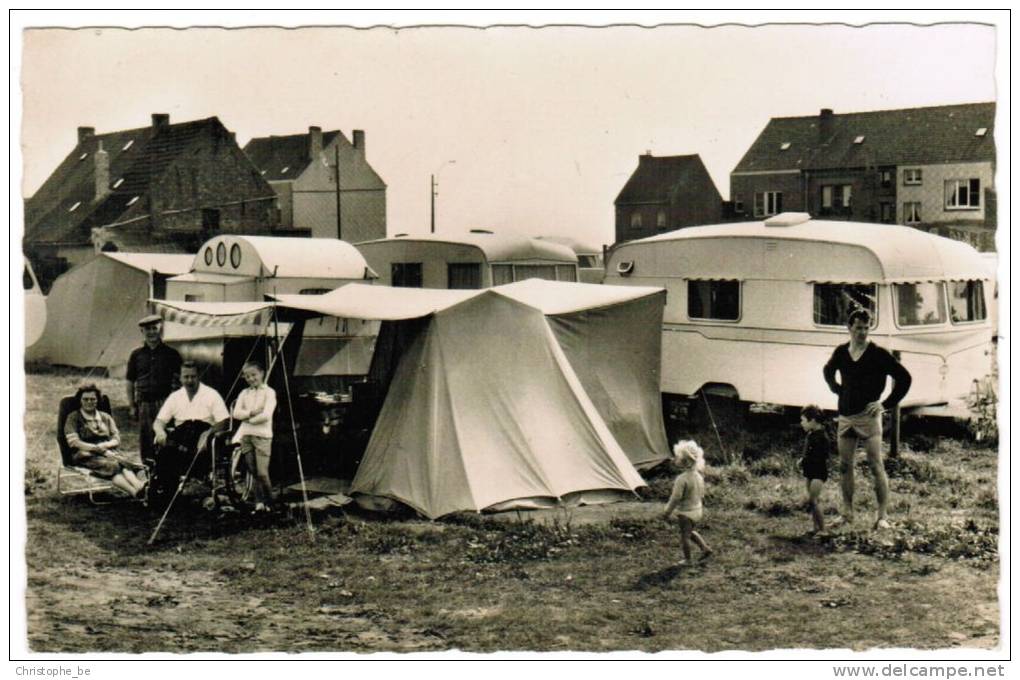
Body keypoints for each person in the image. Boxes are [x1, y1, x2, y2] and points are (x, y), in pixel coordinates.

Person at [823, 307, 912, 530]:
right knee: (845, 466)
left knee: (875, 464)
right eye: (858, 328)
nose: (862, 332)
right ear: (849, 328)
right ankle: (847, 514)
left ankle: (882, 517)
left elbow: (904, 378)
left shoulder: (878, 353)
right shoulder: (842, 352)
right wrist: (837, 389)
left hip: (869, 417)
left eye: (866, 328)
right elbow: (827, 370)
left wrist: (884, 404)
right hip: (845, 416)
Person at [64, 385, 147, 498]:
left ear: (97, 400)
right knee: (113, 465)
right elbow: (74, 442)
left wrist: (105, 446)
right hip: (85, 455)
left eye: (93, 399)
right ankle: (135, 492)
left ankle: (140, 488)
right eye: (85, 399)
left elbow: (116, 438)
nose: (89, 402)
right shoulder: (73, 417)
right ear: (80, 401)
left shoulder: (105, 417)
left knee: (122, 462)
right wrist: (97, 449)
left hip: (108, 452)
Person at [126, 315, 182, 465]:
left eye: (154, 328)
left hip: (165, 403)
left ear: (160, 329)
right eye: (147, 329)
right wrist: (132, 405)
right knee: (146, 440)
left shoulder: (172, 354)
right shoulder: (136, 355)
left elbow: (179, 381)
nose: (151, 332)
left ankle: (166, 471)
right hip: (144, 403)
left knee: (165, 438)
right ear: (142, 332)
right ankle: (149, 471)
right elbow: (130, 381)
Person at [153, 361, 230, 456]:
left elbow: (224, 421)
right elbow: (159, 421)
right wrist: (160, 431)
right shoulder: (175, 397)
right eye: (186, 377)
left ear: (199, 377)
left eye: (193, 377)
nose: (190, 380)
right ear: (180, 378)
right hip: (180, 436)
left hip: (202, 436)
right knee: (165, 456)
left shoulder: (212, 394)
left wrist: (208, 433)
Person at [231, 362, 277, 513]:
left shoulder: (269, 392)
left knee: (262, 472)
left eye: (254, 375)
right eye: (247, 376)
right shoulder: (244, 393)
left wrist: (248, 420)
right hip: (246, 436)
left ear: (262, 373)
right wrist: (251, 413)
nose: (251, 378)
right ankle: (259, 502)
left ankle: (270, 502)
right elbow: (236, 413)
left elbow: (266, 415)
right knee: (252, 470)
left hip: (262, 436)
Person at [662, 440, 713, 566]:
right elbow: (702, 493)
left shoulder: (682, 479)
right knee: (690, 532)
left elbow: (676, 498)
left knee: (684, 537)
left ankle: (688, 560)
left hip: (686, 512)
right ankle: (705, 548)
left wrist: (667, 511)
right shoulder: (698, 476)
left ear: (683, 461)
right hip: (697, 509)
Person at [800, 404, 831, 536]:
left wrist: (807, 460)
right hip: (810, 471)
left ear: (812, 420)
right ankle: (815, 527)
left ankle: (823, 529)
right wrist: (802, 460)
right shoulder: (811, 435)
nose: (801, 423)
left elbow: (822, 457)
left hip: (818, 472)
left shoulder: (822, 437)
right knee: (811, 501)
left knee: (814, 500)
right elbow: (807, 452)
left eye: (803, 420)